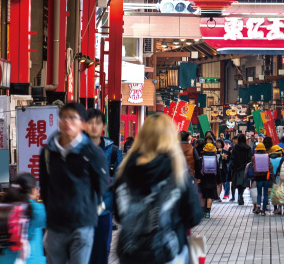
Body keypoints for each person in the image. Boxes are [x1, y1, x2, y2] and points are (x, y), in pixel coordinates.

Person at [112, 114, 203, 264]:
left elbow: (119, 213)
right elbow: (194, 215)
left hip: (130, 251)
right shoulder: (176, 171)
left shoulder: (125, 169)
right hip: (168, 250)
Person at [39, 102, 109, 264]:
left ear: (82, 124)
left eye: (72, 117)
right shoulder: (48, 152)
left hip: (82, 223)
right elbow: (45, 186)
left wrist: (86, 206)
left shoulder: (93, 152)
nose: (67, 121)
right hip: (56, 225)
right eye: (63, 117)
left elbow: (102, 184)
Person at [86, 109, 122, 264]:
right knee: (82, 252)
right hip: (81, 209)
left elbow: (120, 179)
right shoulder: (76, 148)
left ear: (103, 126)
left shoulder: (112, 151)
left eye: (97, 122)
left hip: (104, 209)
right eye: (90, 122)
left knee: (102, 251)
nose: (94, 126)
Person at [0, 173, 46, 264]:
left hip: (6, 260)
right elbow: (55, 222)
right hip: (31, 260)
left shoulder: (5, 207)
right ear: (33, 190)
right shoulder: (37, 209)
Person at [247, 142, 274, 215]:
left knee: (259, 193)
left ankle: (258, 206)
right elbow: (271, 167)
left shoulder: (254, 157)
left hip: (258, 178)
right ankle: (263, 210)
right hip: (266, 178)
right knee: (265, 194)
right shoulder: (267, 156)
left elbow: (252, 167)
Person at [198, 142, 219, 218]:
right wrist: (219, 181)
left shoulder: (201, 159)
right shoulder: (215, 159)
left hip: (203, 180)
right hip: (212, 180)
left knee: (203, 196)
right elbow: (218, 171)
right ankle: (208, 212)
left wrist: (197, 178)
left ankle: (202, 211)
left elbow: (198, 169)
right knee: (210, 196)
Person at [230, 134, 252, 205]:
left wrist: (232, 166)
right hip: (245, 167)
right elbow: (250, 158)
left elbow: (232, 157)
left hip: (237, 168)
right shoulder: (248, 148)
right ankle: (241, 195)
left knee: (238, 182)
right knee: (243, 183)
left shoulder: (236, 147)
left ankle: (239, 195)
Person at [268, 145, 284, 215]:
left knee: (273, 193)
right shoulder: (282, 159)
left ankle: (275, 208)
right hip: (279, 176)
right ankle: (280, 207)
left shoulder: (269, 159)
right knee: (280, 192)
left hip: (271, 177)